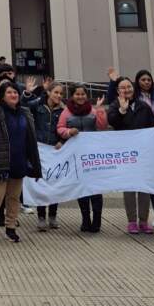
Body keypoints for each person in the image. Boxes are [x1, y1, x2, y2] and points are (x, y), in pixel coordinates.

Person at [0, 81, 42, 244]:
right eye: (9, 92)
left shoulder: (24, 112)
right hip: (0, 162)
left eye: (15, 92)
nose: (13, 95)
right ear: (2, 95)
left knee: (14, 198)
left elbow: (30, 139)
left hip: (19, 161)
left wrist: (33, 163)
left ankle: (11, 228)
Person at [108, 66, 154, 226]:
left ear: (133, 88)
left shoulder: (143, 106)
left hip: (143, 153)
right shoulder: (115, 105)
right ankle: (132, 221)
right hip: (126, 153)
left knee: (143, 186)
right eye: (122, 87)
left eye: (128, 87)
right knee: (129, 186)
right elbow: (112, 121)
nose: (126, 89)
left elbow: (150, 124)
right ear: (118, 91)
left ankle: (143, 220)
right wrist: (122, 109)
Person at [57, 84, 108, 233]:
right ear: (72, 96)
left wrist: (100, 111)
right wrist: (68, 132)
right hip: (76, 156)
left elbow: (102, 126)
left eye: (83, 94)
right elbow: (59, 128)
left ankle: (97, 220)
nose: (80, 97)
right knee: (81, 189)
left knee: (96, 189)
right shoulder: (66, 112)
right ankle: (85, 219)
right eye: (77, 94)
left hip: (93, 156)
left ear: (86, 96)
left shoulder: (93, 110)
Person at [22, 79, 64, 231]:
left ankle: (52, 216)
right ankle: (41, 217)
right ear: (48, 92)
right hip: (40, 149)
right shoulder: (39, 104)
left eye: (60, 93)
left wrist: (61, 141)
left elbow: (66, 128)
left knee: (54, 183)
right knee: (40, 182)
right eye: (56, 92)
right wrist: (27, 93)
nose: (58, 96)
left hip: (55, 150)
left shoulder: (63, 110)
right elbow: (23, 105)